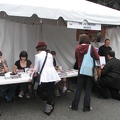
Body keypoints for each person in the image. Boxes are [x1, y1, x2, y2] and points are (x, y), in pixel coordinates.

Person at [70, 34, 99, 112]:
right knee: (88, 89)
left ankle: (74, 106)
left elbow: (76, 58)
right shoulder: (91, 47)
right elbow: (97, 57)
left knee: (78, 88)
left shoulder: (77, 48)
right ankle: (86, 108)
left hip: (81, 69)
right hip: (89, 70)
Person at [34, 42, 61, 115]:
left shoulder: (37, 56)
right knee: (50, 92)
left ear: (38, 49)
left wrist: (34, 71)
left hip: (44, 76)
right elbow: (51, 65)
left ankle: (50, 103)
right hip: (52, 75)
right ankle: (48, 109)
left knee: (39, 91)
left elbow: (36, 69)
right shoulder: (50, 55)